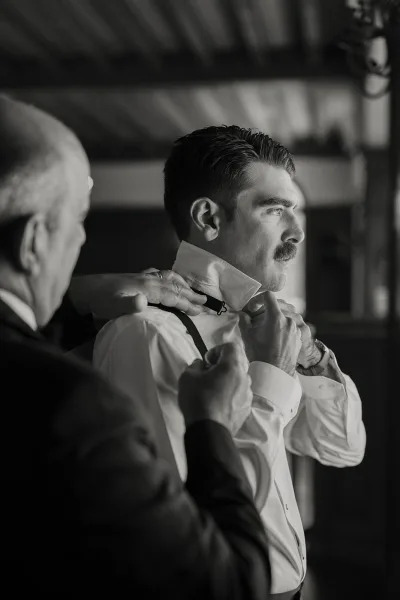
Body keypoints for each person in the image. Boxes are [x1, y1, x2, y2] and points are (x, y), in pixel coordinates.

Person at [0, 96, 273, 598]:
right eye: (79, 220)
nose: (80, 244)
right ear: (34, 240)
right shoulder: (77, 403)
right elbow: (229, 584)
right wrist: (211, 426)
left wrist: (77, 294)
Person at [93, 125, 366, 599]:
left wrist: (311, 360)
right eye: (275, 210)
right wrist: (271, 381)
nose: (297, 232)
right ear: (209, 218)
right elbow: (190, 529)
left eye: (293, 211)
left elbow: (341, 448)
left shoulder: (269, 330)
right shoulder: (145, 334)